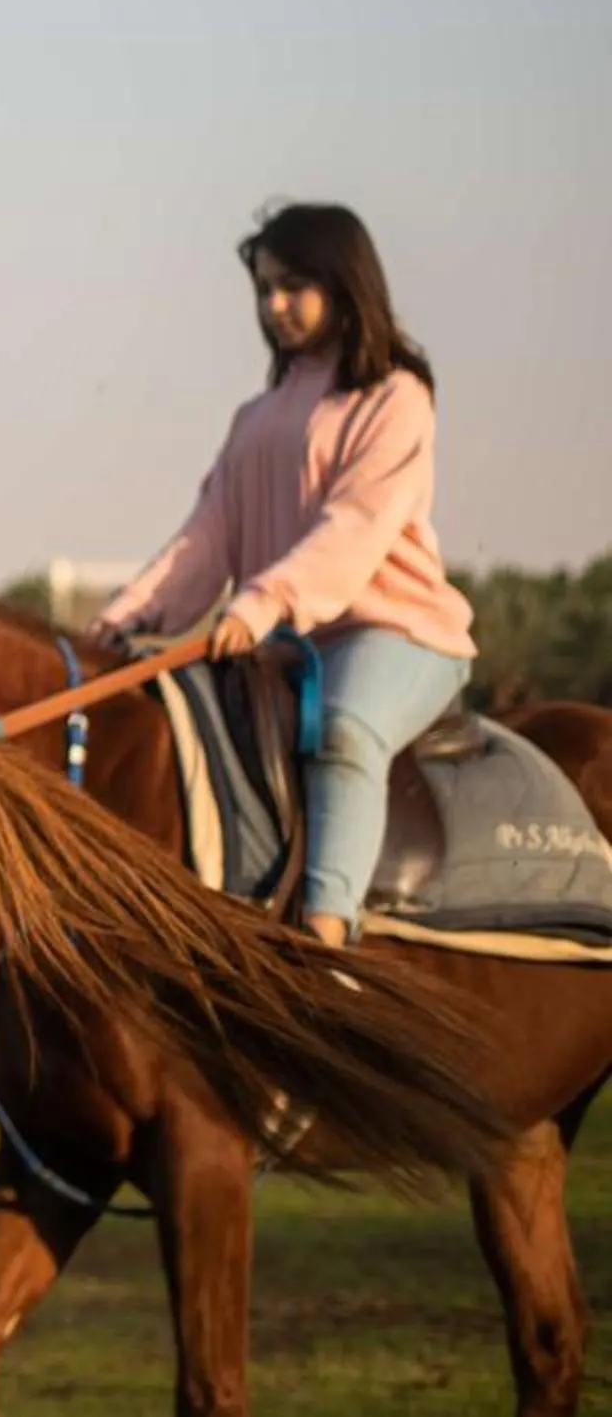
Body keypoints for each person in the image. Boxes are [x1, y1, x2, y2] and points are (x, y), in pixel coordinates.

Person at [90, 202, 477, 945]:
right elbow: (205, 539)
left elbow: (353, 531)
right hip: (284, 640)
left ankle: (328, 944)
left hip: (395, 636)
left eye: (293, 285)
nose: (273, 306)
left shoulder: (396, 397)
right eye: (264, 288)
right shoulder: (257, 417)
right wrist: (126, 616)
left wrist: (263, 601)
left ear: (344, 283)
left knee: (344, 731)